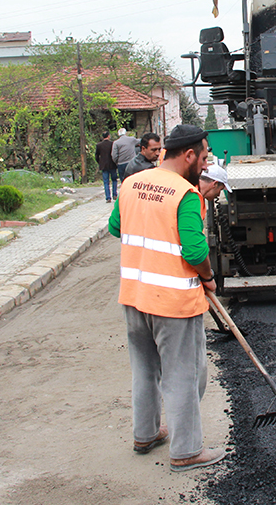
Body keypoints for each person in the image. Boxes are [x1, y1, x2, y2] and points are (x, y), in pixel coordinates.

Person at [108, 124, 227, 472]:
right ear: (188, 155)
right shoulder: (185, 195)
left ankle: (145, 435)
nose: (205, 166)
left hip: (134, 296)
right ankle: (186, 450)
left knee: (144, 370)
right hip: (173, 303)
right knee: (182, 375)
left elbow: (117, 227)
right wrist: (207, 276)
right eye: (204, 158)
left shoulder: (131, 183)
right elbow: (194, 249)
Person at [95, 131, 118, 203]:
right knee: (114, 180)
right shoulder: (112, 144)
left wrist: (100, 162)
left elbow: (96, 156)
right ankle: (115, 194)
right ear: (108, 136)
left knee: (106, 182)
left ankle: (108, 197)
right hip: (112, 164)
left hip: (104, 166)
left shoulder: (99, 145)